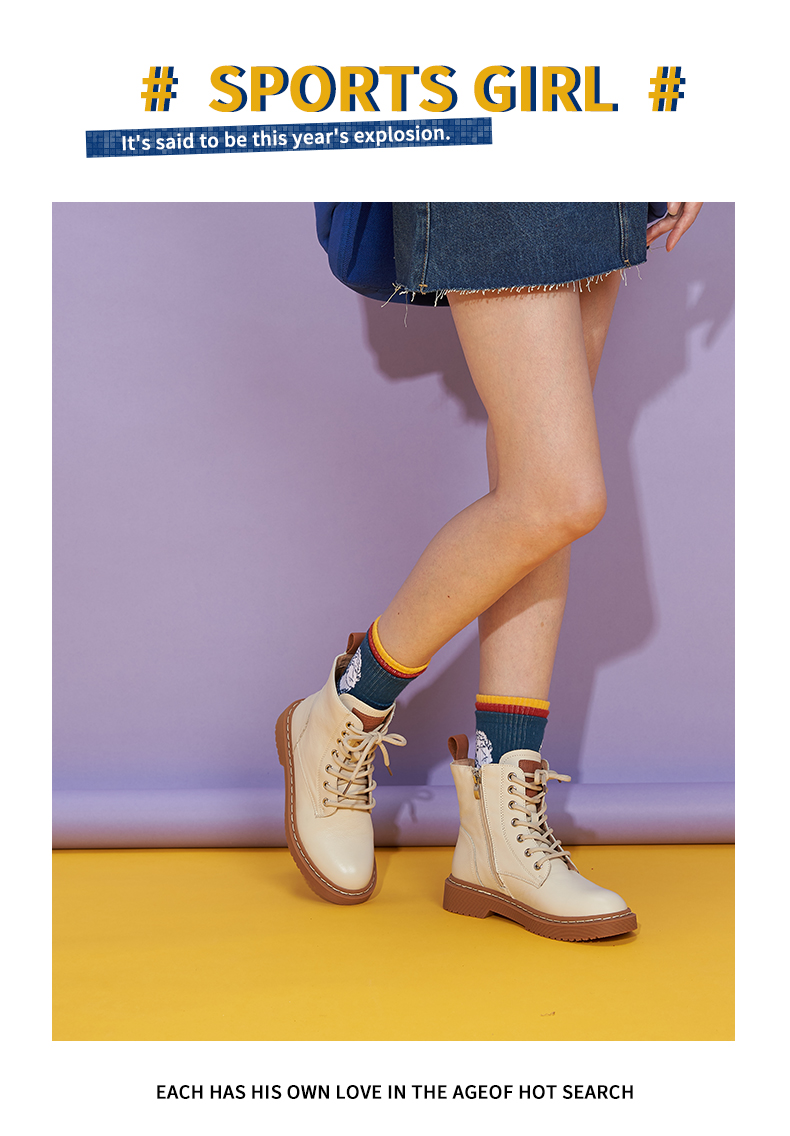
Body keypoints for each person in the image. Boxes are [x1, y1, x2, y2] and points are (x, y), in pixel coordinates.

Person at [275, 201, 703, 942]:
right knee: (558, 494)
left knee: (534, 470)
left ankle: (498, 832)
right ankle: (347, 706)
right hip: (495, 143)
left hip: (598, 140)